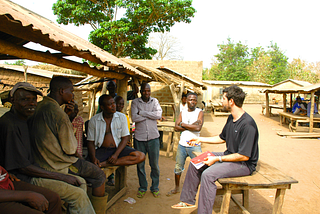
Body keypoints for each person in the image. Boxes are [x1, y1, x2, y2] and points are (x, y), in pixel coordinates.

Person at [0, 82, 94, 214]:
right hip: (25, 177)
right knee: (77, 193)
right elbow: (23, 167)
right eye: (25, 100)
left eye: (34, 100)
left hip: (33, 170)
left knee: (80, 182)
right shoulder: (10, 125)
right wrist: (61, 177)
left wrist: (67, 116)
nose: (31, 103)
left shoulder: (25, 118)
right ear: (12, 101)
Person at [172, 85, 259, 214]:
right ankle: (187, 200)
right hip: (230, 156)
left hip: (244, 164)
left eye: (223, 98)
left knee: (208, 175)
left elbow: (244, 156)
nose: (222, 101)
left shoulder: (248, 124)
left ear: (231, 101)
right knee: (196, 162)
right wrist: (200, 140)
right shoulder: (231, 118)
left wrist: (217, 159)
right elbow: (221, 138)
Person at [28, 76, 108, 214]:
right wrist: (68, 119)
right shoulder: (58, 114)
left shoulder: (40, 107)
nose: (72, 94)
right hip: (57, 164)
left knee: (82, 179)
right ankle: (98, 211)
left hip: (40, 160)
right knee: (99, 175)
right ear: (61, 91)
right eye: (71, 91)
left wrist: (69, 117)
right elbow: (70, 149)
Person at [87, 94, 145, 168]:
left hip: (118, 149)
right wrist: (93, 158)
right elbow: (90, 142)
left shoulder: (122, 117)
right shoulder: (94, 120)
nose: (113, 106)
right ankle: (101, 163)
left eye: (113, 103)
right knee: (87, 164)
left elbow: (125, 138)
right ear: (102, 107)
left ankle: (104, 164)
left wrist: (116, 155)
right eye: (109, 104)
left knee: (140, 156)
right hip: (101, 150)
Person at [166, 92, 204, 197]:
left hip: (195, 144)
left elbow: (198, 128)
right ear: (186, 100)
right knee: (178, 167)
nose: (193, 102)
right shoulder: (182, 112)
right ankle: (177, 187)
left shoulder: (199, 112)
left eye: (195, 100)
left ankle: (198, 190)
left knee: (199, 167)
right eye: (190, 99)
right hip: (182, 145)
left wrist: (183, 124)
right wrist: (191, 125)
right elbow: (176, 128)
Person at [131, 82, 162, 198]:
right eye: (144, 91)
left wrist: (143, 113)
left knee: (154, 165)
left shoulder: (155, 101)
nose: (146, 93)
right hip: (139, 138)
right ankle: (143, 187)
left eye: (148, 91)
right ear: (140, 91)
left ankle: (155, 187)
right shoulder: (135, 102)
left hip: (153, 138)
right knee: (140, 165)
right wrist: (151, 115)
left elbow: (158, 115)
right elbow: (134, 117)